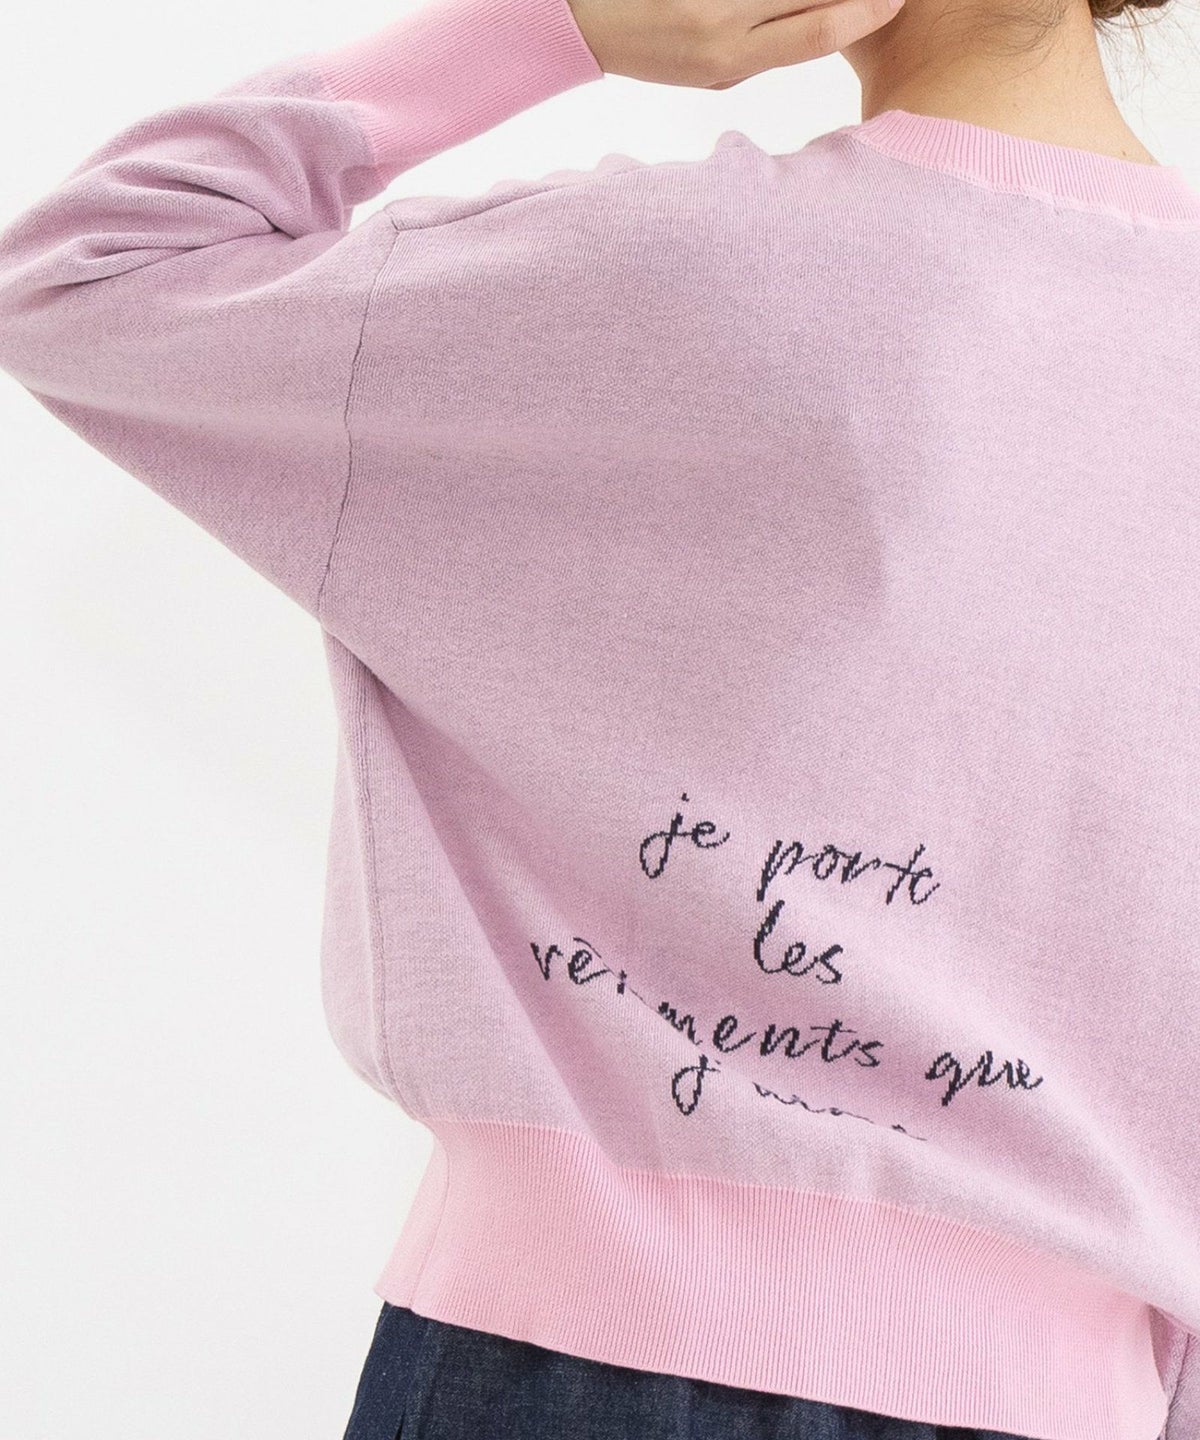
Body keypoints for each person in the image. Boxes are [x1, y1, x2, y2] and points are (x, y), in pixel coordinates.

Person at [0, 0, 1197, 1431]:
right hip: (1075, 1393)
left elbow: (83, 268)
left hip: (580, 1350)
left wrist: (555, 27)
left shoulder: (690, 268)